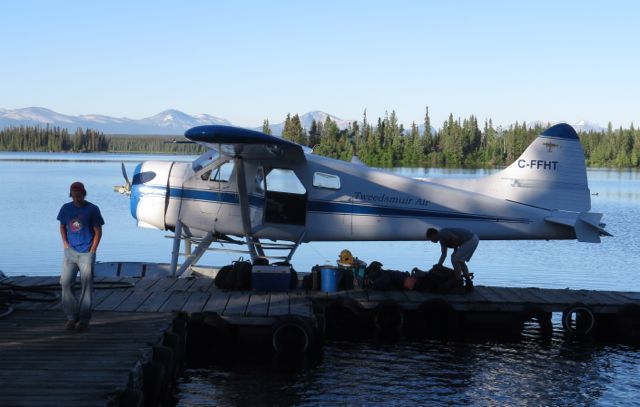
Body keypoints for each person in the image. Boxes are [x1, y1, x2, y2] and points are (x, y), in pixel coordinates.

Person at [57, 182, 104, 331]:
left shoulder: (93, 209)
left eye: (79, 196)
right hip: (70, 252)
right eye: (74, 196)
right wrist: (65, 243)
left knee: (86, 286)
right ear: (71, 195)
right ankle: (72, 317)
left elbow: (98, 231)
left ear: (84, 194)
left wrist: (93, 250)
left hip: (86, 253)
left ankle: (84, 320)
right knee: (65, 283)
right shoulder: (66, 208)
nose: (77, 199)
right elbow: (62, 226)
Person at [427, 227, 479, 292]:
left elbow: (455, 238)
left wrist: (455, 250)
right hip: (470, 240)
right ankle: (467, 281)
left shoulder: (442, 233)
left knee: (456, 259)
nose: (431, 241)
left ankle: (459, 281)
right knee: (457, 259)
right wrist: (439, 265)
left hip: (471, 239)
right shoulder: (442, 240)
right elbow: (444, 254)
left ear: (433, 235)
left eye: (430, 239)